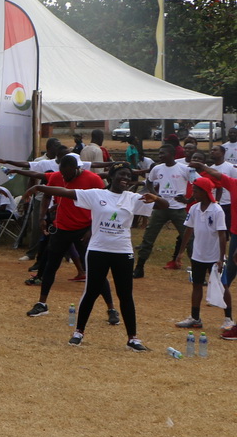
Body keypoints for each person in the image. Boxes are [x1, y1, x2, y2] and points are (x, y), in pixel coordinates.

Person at [27, 166, 160, 350]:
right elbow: (66, 192)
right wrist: (39, 187)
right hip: (98, 250)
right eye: (121, 174)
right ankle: (78, 332)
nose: (125, 178)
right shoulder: (97, 194)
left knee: (125, 295)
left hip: (123, 252)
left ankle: (133, 339)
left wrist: (156, 198)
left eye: (128, 176)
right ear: (111, 176)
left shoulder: (132, 198)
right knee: (91, 292)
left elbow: (163, 205)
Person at [173, 176, 229, 330]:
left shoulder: (217, 210)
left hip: (214, 256)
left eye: (196, 191)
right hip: (198, 255)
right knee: (196, 285)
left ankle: (228, 319)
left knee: (222, 286)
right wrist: (180, 252)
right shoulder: (194, 209)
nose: (193, 193)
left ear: (205, 192)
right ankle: (195, 318)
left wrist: (221, 258)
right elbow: (188, 230)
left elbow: (222, 235)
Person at [134, 144, 189, 278]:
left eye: (163, 153)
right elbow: (148, 182)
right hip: (161, 209)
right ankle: (139, 268)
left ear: (172, 154)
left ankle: (199, 272)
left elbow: (199, 182)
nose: (160, 156)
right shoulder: (157, 168)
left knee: (189, 239)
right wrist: (155, 195)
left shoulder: (184, 169)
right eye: (159, 153)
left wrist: (188, 200)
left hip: (178, 209)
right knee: (148, 237)